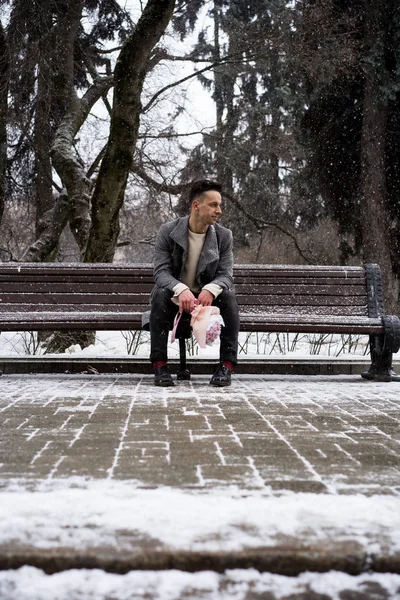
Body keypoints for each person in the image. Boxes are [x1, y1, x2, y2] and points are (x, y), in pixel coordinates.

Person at [149, 179, 239, 387]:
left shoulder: (223, 237)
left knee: (229, 297)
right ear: (196, 205)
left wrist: (210, 290)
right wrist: (181, 290)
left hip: (206, 306)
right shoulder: (168, 231)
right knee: (160, 294)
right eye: (213, 205)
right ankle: (160, 366)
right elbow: (161, 272)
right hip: (174, 302)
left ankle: (226, 367)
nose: (219, 211)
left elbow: (226, 275)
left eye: (220, 205)